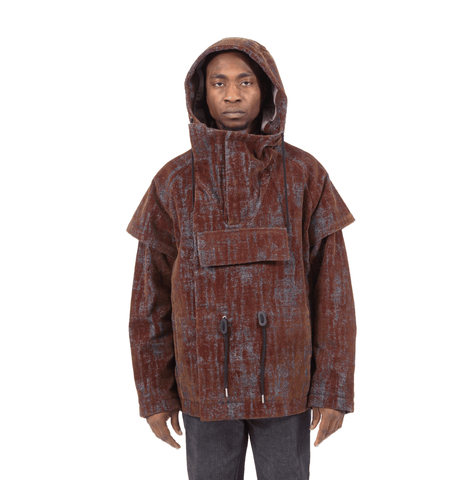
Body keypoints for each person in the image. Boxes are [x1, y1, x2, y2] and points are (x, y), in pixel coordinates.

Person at [126, 37, 356, 480]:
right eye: (219, 83)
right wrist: (155, 393)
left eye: (245, 82)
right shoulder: (174, 181)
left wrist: (333, 387)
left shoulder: (305, 175)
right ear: (202, 93)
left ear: (267, 90)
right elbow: (148, 300)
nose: (232, 95)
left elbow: (333, 293)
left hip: (287, 388)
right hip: (203, 389)